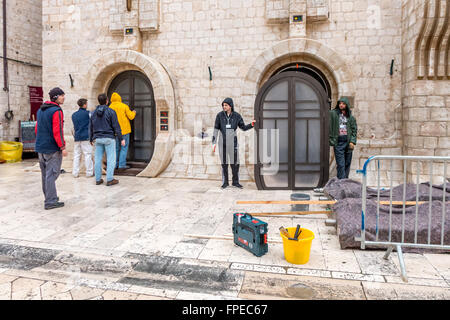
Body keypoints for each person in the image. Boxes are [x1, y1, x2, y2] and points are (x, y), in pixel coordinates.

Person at [35, 87, 67, 210]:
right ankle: (50, 201)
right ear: (56, 97)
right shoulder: (56, 111)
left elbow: (37, 128)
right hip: (52, 148)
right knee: (52, 173)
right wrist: (62, 147)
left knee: (45, 175)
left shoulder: (40, 110)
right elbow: (57, 131)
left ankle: (49, 196)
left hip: (41, 147)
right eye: (62, 95)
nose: (64, 97)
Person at [212, 97, 256, 189]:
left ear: (230, 106)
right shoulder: (219, 116)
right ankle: (225, 182)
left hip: (233, 144)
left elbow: (243, 127)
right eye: (223, 105)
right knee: (224, 163)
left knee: (235, 163)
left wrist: (251, 124)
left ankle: (235, 182)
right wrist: (214, 142)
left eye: (226, 105)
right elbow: (216, 129)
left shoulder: (237, 116)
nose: (224, 107)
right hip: (222, 144)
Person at [90, 93, 125, 186]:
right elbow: (116, 126)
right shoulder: (111, 111)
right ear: (107, 101)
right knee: (111, 159)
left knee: (98, 159)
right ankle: (109, 179)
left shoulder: (93, 113)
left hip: (97, 138)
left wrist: (91, 138)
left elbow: (91, 127)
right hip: (109, 138)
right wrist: (121, 138)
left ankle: (98, 179)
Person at [329, 97, 357, 179]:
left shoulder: (351, 117)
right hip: (339, 142)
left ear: (347, 105)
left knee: (347, 163)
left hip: (348, 142)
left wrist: (352, 141)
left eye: (343, 104)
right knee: (341, 164)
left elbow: (354, 130)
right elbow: (326, 115)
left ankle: (344, 182)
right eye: (340, 103)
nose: (341, 105)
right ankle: (342, 184)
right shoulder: (334, 114)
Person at [108, 92, 136, 170]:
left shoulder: (109, 107)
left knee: (116, 148)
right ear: (119, 98)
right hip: (124, 131)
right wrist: (133, 112)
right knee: (124, 147)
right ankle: (121, 165)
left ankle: (115, 165)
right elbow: (131, 117)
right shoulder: (124, 106)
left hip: (114, 131)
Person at [71, 98, 93, 178]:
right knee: (87, 154)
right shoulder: (88, 113)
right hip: (85, 136)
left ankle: (75, 173)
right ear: (84, 105)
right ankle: (89, 172)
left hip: (77, 136)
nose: (87, 105)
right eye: (86, 104)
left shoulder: (74, 115)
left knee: (76, 155)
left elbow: (74, 127)